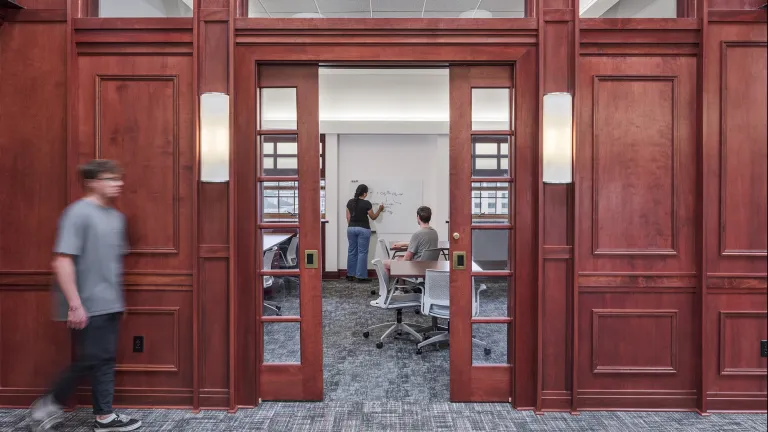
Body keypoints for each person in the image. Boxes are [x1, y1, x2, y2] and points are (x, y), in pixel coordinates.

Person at [30, 160, 142, 431]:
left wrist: (119, 301)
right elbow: (63, 260)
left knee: (103, 360)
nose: (118, 183)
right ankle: (49, 403)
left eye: (118, 178)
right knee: (93, 358)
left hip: (110, 302)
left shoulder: (117, 218)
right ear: (92, 182)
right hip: (86, 303)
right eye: (110, 178)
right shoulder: (77, 213)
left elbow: (112, 264)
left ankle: (104, 417)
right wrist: (74, 304)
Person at [346, 184, 384, 282]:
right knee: (362, 253)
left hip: (351, 229)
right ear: (365, 193)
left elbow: (348, 218)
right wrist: (379, 209)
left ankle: (350, 275)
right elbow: (373, 217)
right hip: (363, 229)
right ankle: (360, 276)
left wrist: (353, 226)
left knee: (351, 251)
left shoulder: (350, 202)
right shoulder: (366, 203)